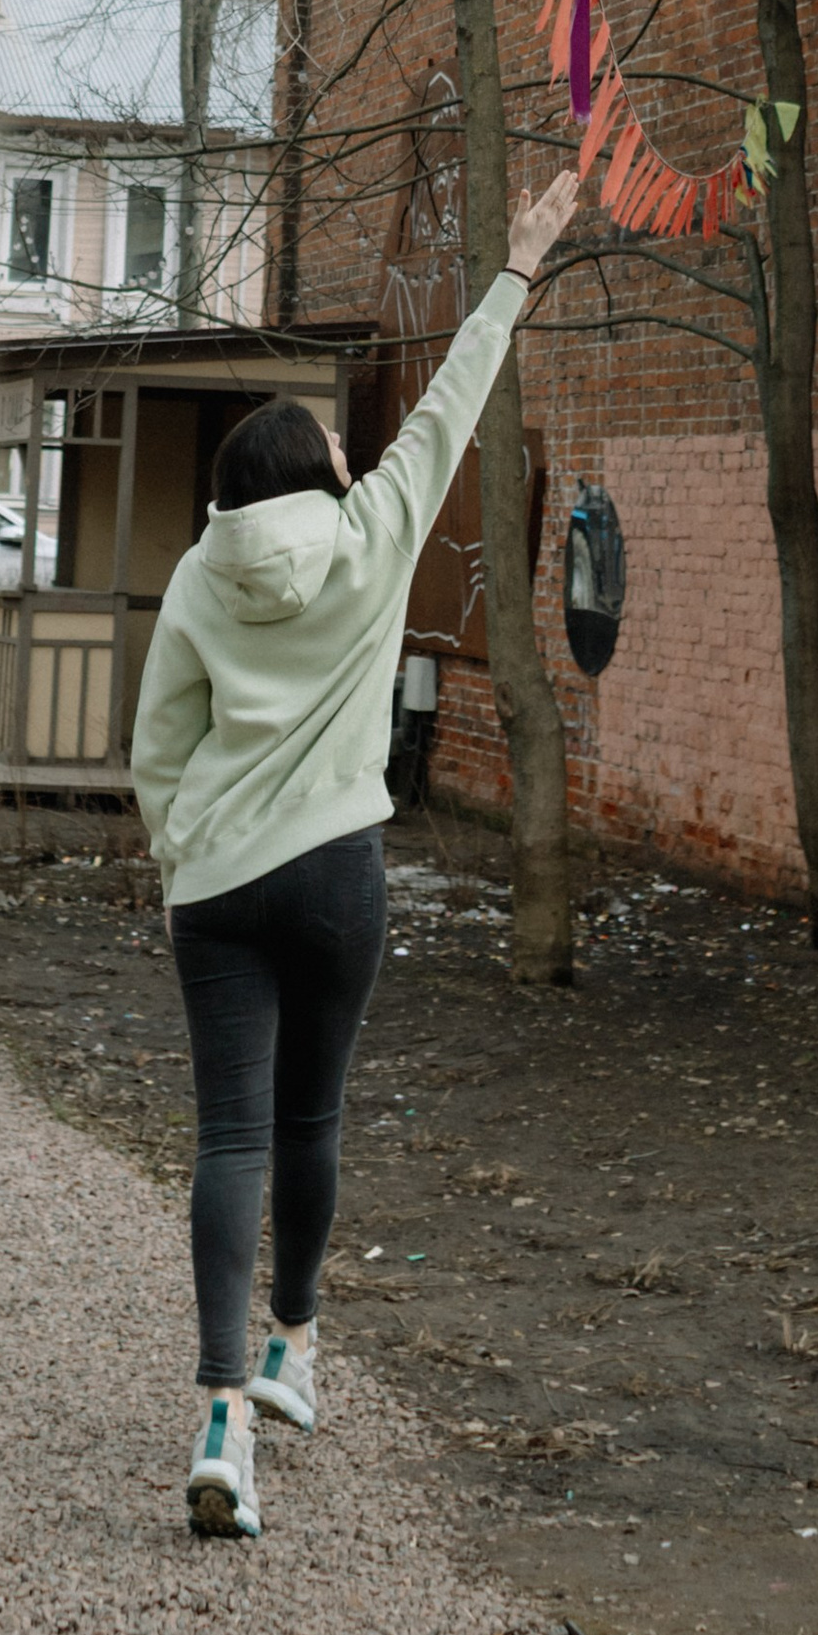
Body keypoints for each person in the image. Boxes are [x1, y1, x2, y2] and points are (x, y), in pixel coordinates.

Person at [131, 164, 582, 1539]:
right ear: (316, 475)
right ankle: (296, 1347)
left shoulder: (201, 574)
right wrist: (518, 264)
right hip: (336, 873)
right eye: (333, 450)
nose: (349, 455)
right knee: (310, 1121)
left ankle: (221, 1418)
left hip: (220, 884)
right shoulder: (372, 532)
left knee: (229, 1137)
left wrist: (180, 863)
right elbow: (452, 407)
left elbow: (159, 745)